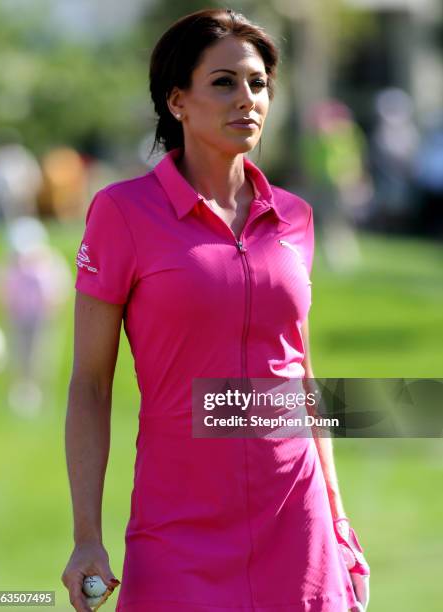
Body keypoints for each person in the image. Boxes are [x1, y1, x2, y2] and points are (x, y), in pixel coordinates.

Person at [61, 8, 370, 612]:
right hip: (178, 524)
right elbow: (91, 385)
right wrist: (86, 537)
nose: (247, 99)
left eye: (258, 83)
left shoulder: (295, 217)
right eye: (224, 82)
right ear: (178, 101)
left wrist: (336, 515)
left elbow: (301, 373)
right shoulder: (121, 213)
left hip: (297, 520)